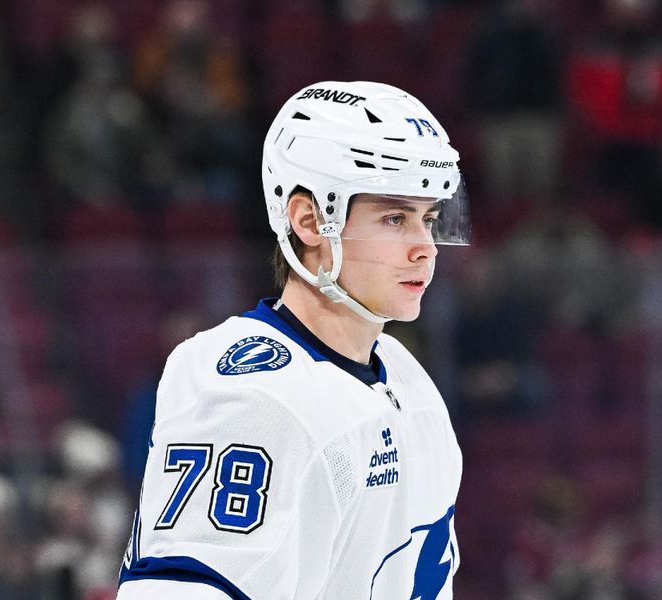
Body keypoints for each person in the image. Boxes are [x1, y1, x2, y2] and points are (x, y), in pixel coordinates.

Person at [116, 81, 470, 599]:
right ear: (309, 221)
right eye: (395, 218)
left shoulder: (405, 375)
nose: (425, 249)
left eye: (429, 219)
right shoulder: (252, 391)